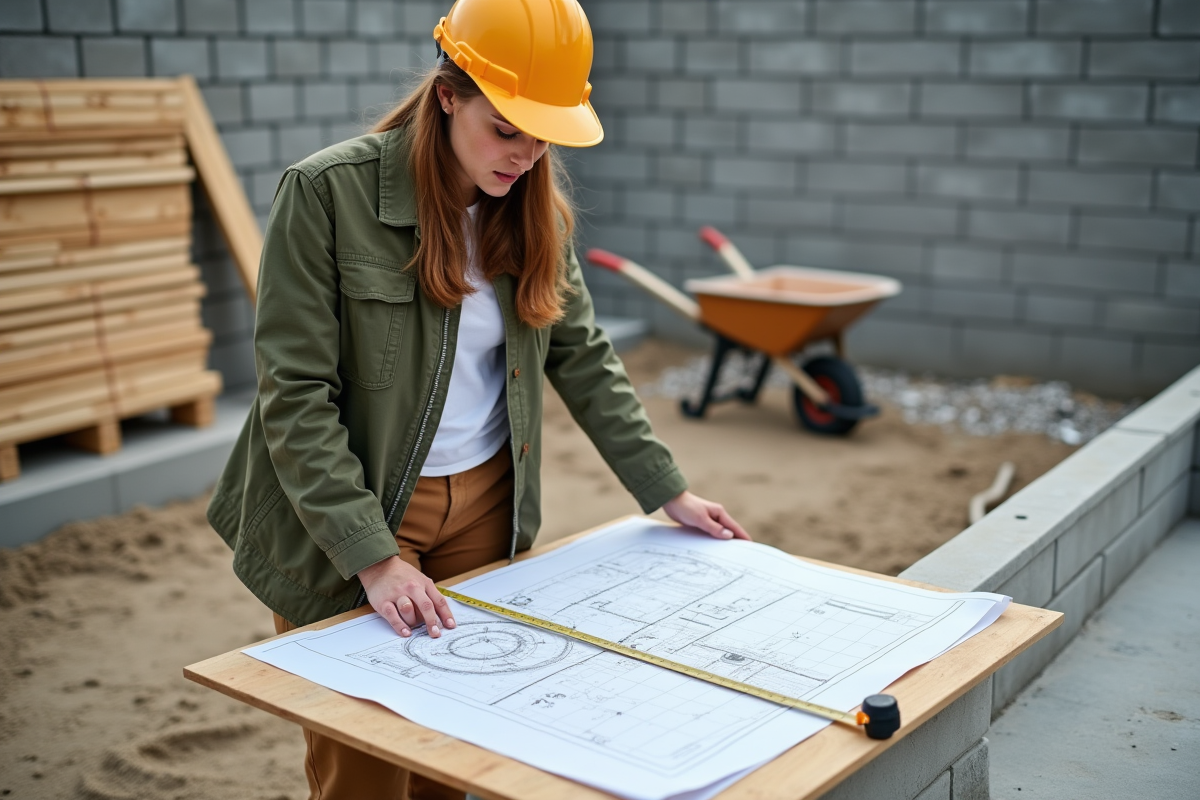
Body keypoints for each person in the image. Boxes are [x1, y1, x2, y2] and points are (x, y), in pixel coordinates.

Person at [207, 0, 749, 797]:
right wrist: (373, 557)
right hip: (357, 512)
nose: (527, 154)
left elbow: (583, 356)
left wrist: (667, 490)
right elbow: (295, 394)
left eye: (543, 135)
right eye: (507, 128)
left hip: (490, 507)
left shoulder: (537, 217)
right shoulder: (326, 194)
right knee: (363, 764)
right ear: (448, 94)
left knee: (455, 752)